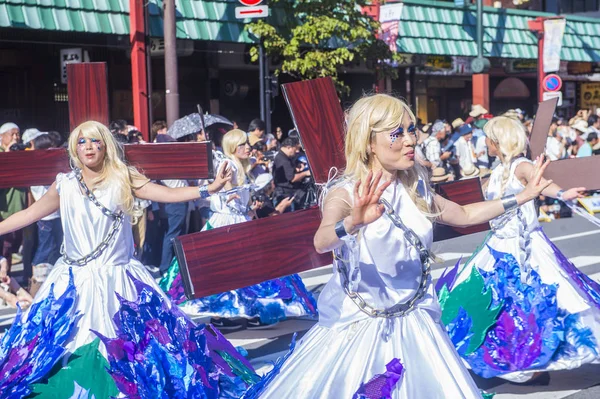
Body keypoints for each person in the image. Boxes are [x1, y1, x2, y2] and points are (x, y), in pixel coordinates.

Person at [256, 94, 552, 399]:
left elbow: (463, 214)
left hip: (416, 324)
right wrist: (353, 222)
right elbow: (322, 240)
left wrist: (521, 197)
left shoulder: (414, 187)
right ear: (369, 142)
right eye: (397, 133)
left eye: (412, 130)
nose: (410, 140)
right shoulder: (344, 193)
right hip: (360, 332)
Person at [0, 121, 262, 397]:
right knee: (57, 346)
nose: (88, 147)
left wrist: (210, 188)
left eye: (95, 141)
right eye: (82, 142)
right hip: (73, 281)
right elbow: (28, 215)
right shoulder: (65, 184)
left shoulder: (122, 176)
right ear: (74, 149)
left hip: (120, 279)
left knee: (139, 350)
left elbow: (168, 194)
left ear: (105, 145)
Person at [438, 115, 598, 384]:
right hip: (498, 242)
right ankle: (501, 354)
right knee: (485, 299)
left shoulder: (520, 165)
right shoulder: (499, 169)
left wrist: (563, 194)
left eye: (488, 137)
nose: (485, 142)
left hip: (523, 246)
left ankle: (534, 362)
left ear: (498, 140)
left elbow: (541, 182)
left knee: (534, 303)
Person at [163, 129, 317, 331]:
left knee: (244, 269)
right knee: (233, 269)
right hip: (228, 223)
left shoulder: (238, 165)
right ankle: (232, 315)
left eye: (247, 144)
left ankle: (243, 313)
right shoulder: (229, 165)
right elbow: (217, 194)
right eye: (242, 144)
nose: (248, 147)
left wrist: (247, 208)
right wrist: (229, 197)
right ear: (233, 147)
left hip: (237, 220)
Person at [273, 137, 311, 210]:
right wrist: (305, 173)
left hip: (286, 193)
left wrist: (296, 168)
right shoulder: (283, 160)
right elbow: (292, 178)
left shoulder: (282, 157)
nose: (297, 152)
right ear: (289, 148)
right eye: (295, 149)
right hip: (285, 196)